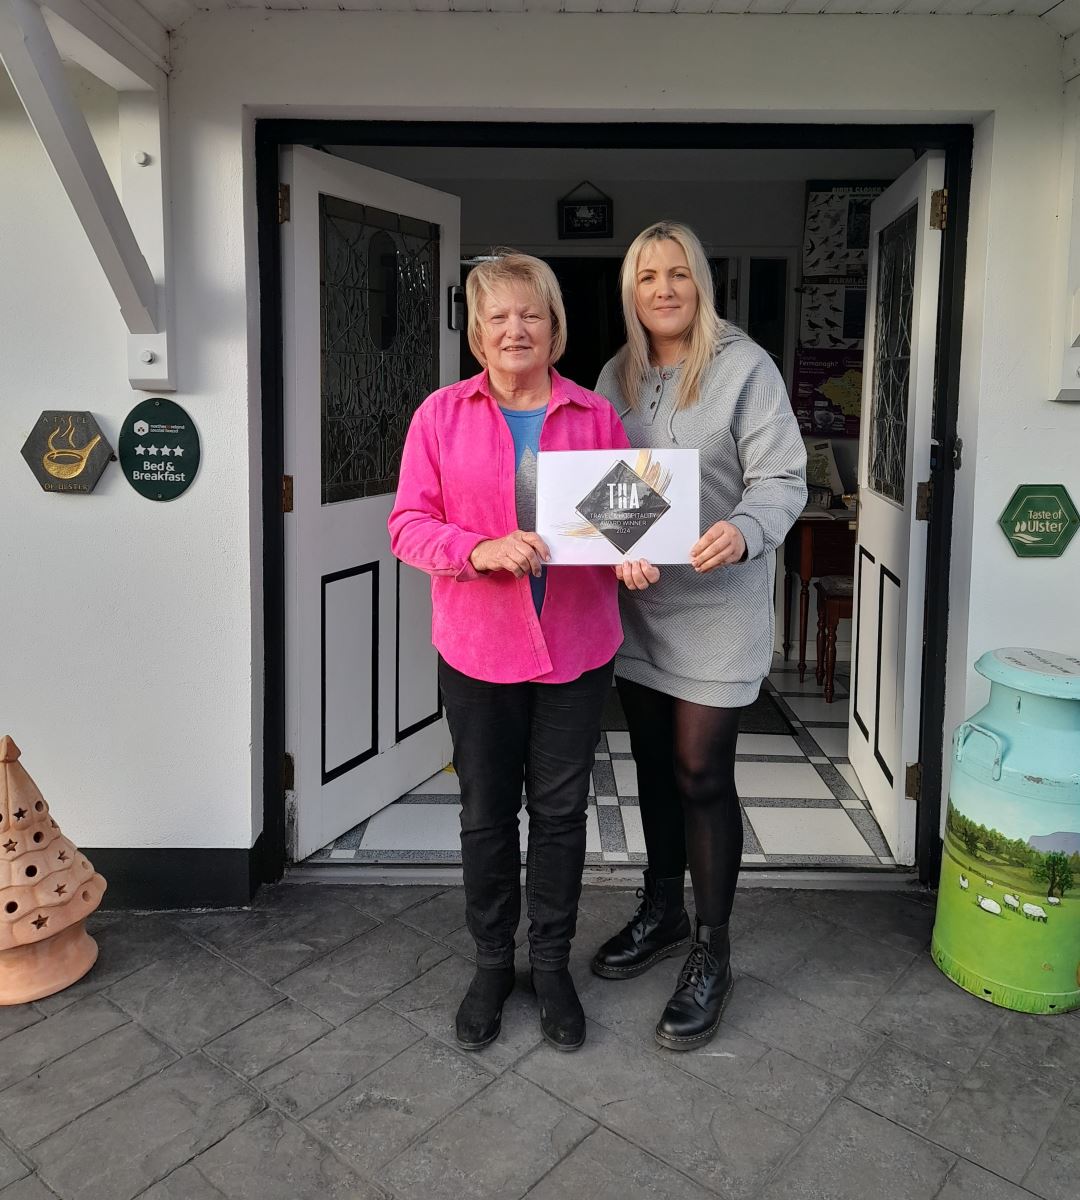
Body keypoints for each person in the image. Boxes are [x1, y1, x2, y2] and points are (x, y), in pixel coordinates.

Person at [389, 252, 652, 1053]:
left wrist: (633, 555)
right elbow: (407, 526)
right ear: (475, 331)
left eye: (530, 315)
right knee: (484, 814)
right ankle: (491, 962)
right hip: (478, 650)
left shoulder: (593, 416)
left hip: (575, 648)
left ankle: (551, 963)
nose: (515, 330)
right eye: (497, 316)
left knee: (563, 814)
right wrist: (479, 550)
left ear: (553, 326)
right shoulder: (441, 415)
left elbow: (623, 526)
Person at [591, 221, 807, 1050]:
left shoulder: (745, 368)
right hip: (645, 607)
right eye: (648, 276)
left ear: (701, 283)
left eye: (679, 273)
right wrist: (618, 552)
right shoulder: (618, 373)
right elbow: (610, 486)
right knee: (649, 765)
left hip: (720, 607)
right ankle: (661, 910)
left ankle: (714, 953)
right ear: (632, 290)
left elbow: (782, 479)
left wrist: (746, 529)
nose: (664, 289)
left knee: (698, 771)